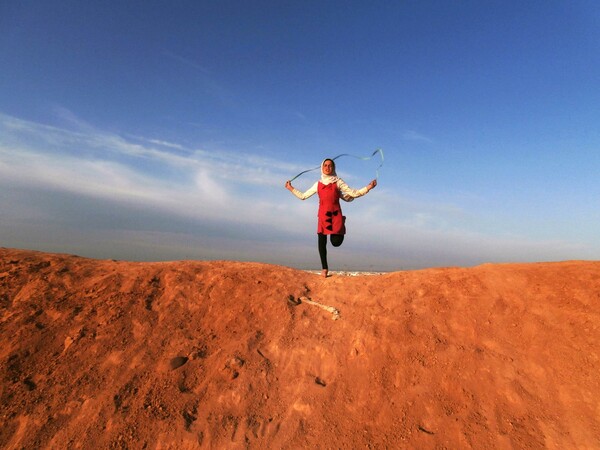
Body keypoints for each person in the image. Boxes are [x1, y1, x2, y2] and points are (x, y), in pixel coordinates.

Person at [285, 158, 377, 277]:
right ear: (322, 168)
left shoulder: (338, 182)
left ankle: (341, 225)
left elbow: (353, 193)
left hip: (336, 215)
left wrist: (368, 187)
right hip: (323, 216)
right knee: (322, 242)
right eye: (325, 166)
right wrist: (290, 188)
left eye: (330, 166)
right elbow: (303, 196)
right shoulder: (317, 184)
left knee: (336, 242)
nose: (328, 168)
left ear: (334, 168)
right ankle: (324, 268)